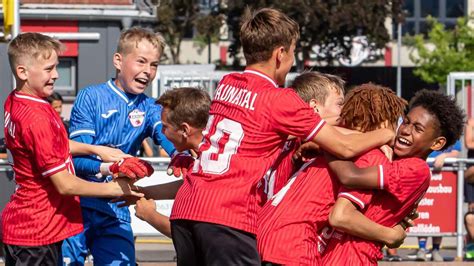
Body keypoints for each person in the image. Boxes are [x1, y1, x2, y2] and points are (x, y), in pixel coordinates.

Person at [169, 8, 396, 265]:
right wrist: (385, 133)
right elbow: (343, 146)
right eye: (292, 52)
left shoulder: (228, 83)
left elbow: (263, 125)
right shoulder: (279, 100)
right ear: (280, 54)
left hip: (186, 208)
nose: (292, 61)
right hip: (227, 215)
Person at [2, 32, 151, 266]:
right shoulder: (37, 117)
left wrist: (96, 149)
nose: (56, 75)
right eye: (49, 69)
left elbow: (49, 144)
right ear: (22, 72)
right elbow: (65, 184)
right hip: (37, 232)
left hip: (23, 226)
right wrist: (115, 188)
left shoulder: (16, 100)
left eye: (56, 67)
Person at [62, 27, 178, 265]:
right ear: (118, 60)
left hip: (116, 209)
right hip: (78, 206)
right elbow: (76, 160)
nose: (147, 71)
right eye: (141, 62)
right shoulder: (91, 97)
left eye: (154, 64)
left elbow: (164, 134)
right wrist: (114, 167)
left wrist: (179, 155)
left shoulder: (150, 106)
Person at [257, 84, 408, 265]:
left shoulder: (329, 144)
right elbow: (341, 217)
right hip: (293, 243)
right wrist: (391, 234)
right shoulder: (372, 155)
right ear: (384, 121)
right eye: (395, 119)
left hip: (264, 232)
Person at [323, 89, 465, 265]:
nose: (405, 130)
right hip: (333, 253)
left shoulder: (416, 169)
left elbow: (350, 177)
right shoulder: (390, 154)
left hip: (353, 257)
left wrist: (324, 144)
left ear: (437, 143)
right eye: (406, 122)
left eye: (417, 128)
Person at [133, 87, 211, 238]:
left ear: (184, 130)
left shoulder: (214, 162)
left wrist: (149, 214)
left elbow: (192, 236)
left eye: (165, 126)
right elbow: (191, 186)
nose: (161, 132)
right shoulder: (209, 153)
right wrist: (143, 192)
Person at [263, 71, 345, 199]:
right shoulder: (291, 131)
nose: (343, 110)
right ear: (314, 107)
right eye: (339, 104)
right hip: (264, 210)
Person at [410, 139, 461, 262]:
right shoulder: (428, 128)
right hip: (424, 174)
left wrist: (444, 156)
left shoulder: (452, 132)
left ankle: (436, 249)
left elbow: (456, 152)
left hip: (444, 179)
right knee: (423, 212)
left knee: (440, 214)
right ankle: (422, 249)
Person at [464, 118, 474, 260]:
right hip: (472, 176)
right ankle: (471, 249)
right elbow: (469, 143)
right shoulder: (471, 122)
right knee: (471, 217)